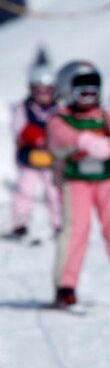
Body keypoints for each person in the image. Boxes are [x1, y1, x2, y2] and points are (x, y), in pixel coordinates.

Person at [46, 60, 110, 308]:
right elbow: (58, 138)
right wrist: (82, 141)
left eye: (93, 91)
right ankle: (65, 287)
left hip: (108, 180)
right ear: (68, 91)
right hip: (76, 181)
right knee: (75, 230)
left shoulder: (107, 118)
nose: (88, 97)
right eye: (81, 91)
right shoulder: (62, 120)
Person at [6, 50, 62, 241]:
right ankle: (20, 223)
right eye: (39, 91)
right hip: (29, 158)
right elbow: (17, 130)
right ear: (32, 90)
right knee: (25, 191)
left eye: (48, 91)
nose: (44, 95)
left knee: (54, 192)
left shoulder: (58, 111)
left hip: (51, 160)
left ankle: (59, 224)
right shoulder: (23, 109)